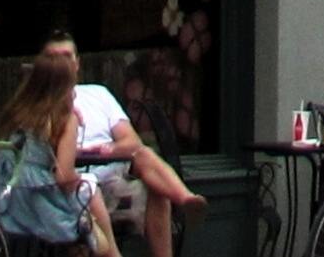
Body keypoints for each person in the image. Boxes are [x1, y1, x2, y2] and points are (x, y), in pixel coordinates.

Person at [40, 35, 206, 257]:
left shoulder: (97, 94)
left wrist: (109, 149)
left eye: (67, 57)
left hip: (113, 167)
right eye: (55, 58)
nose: (62, 64)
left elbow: (131, 141)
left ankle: (186, 199)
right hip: (77, 180)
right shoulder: (40, 104)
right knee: (101, 190)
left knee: (144, 154)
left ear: (78, 62)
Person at [0, 53, 115, 257]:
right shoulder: (64, 119)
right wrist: (80, 180)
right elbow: (64, 177)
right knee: (89, 197)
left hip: (7, 200)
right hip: (41, 205)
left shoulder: (15, 112)